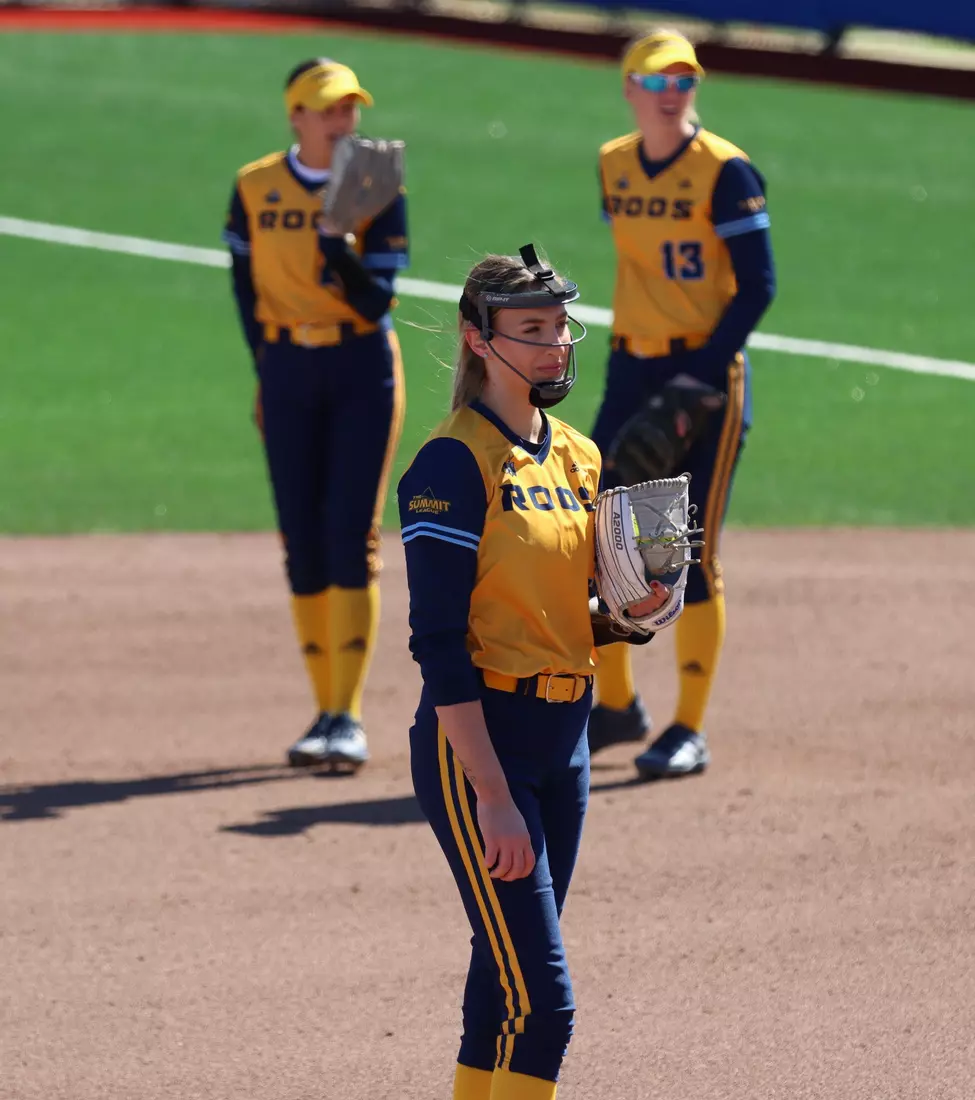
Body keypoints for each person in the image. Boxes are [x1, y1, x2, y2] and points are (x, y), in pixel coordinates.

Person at [397, 247, 674, 1100]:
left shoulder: (580, 458)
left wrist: (633, 610)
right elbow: (439, 642)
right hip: (483, 746)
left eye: (559, 327)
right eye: (531, 331)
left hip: (566, 742)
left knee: (502, 980)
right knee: (546, 1007)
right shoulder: (451, 464)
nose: (555, 346)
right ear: (479, 342)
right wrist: (490, 794)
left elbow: (567, 612)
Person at [588, 30, 777, 779]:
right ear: (630, 88)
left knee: (684, 553)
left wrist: (697, 378)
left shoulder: (725, 171)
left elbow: (757, 285)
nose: (672, 94)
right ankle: (615, 707)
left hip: (705, 379)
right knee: (603, 539)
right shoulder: (611, 165)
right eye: (658, 82)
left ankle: (686, 727)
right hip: (632, 370)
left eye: (683, 81)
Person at [222, 58, 408, 770]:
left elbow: (375, 301)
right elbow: (244, 285)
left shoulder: (375, 184)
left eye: (349, 108)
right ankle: (320, 709)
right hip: (287, 367)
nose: (344, 121)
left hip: (360, 366)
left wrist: (336, 246)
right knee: (299, 535)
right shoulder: (254, 185)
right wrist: (264, 368)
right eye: (329, 109)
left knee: (348, 533)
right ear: (295, 114)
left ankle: (346, 715)